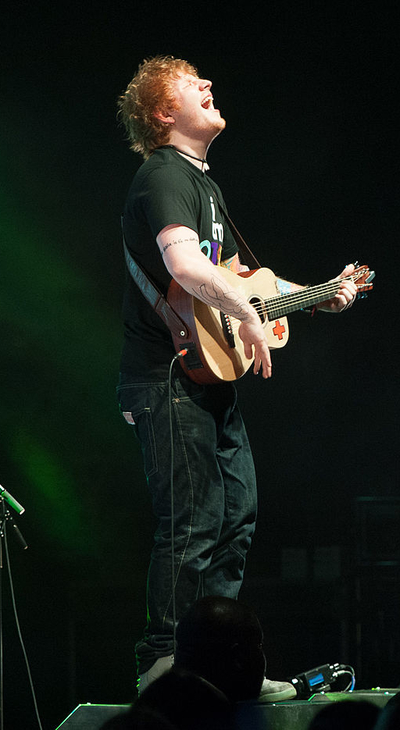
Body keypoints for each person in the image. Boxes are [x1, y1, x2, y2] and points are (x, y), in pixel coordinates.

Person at [115, 55, 359, 697]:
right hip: (165, 381)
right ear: (165, 114)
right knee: (191, 523)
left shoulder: (207, 187)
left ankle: (218, 666)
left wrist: (318, 294)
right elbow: (188, 267)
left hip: (206, 385)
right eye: (193, 85)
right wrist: (247, 315)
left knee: (237, 515)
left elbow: (247, 284)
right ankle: (163, 664)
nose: (210, 85)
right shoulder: (162, 175)